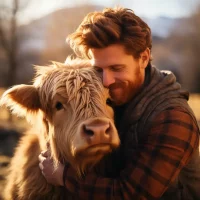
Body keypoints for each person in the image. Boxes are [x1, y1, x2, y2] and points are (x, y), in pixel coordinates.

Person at [38, 6, 200, 199]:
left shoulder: (173, 118)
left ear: (144, 58)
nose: (106, 81)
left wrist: (64, 177)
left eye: (117, 68)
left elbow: (131, 195)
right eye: (99, 69)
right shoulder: (113, 96)